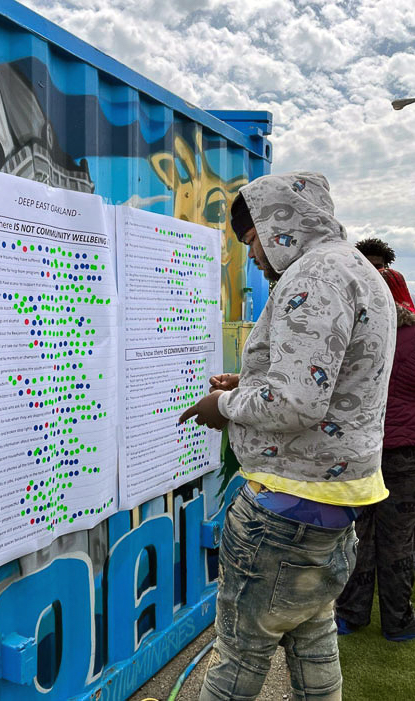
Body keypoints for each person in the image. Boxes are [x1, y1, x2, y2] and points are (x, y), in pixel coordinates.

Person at [178, 172, 397, 701]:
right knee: (313, 642)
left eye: (251, 240)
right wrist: (251, 383)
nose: (252, 255)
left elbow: (297, 401)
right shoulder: (356, 269)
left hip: (283, 511)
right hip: (332, 507)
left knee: (237, 658)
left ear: (281, 226)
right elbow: (333, 382)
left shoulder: (312, 277)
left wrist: (224, 405)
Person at [335, 268, 415, 642]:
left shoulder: (358, 335)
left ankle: (351, 615)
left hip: (362, 450)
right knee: (399, 537)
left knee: (359, 534)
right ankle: (398, 622)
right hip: (405, 455)